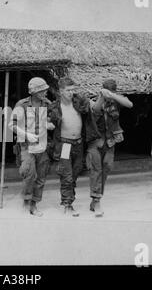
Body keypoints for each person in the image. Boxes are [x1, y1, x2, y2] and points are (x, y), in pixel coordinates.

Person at [86, 79, 133, 217]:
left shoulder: (116, 101)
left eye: (112, 91)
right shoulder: (93, 100)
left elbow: (129, 104)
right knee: (96, 169)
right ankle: (97, 200)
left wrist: (112, 96)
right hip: (96, 141)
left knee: (106, 168)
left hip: (110, 141)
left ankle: (96, 200)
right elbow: (95, 110)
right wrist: (102, 96)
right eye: (108, 91)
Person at [9, 77, 55, 217]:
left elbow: (50, 120)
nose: (44, 93)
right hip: (26, 145)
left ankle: (34, 204)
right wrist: (27, 134)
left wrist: (49, 124)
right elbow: (12, 125)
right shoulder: (22, 105)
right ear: (33, 92)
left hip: (42, 145)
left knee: (41, 176)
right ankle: (26, 200)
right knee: (29, 173)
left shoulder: (47, 104)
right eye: (41, 90)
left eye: (45, 90)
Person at [48, 77, 90, 217]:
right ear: (61, 91)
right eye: (68, 90)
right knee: (67, 175)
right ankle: (68, 203)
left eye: (73, 90)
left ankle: (69, 198)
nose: (71, 93)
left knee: (76, 172)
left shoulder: (79, 103)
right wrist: (48, 125)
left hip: (78, 144)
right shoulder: (55, 107)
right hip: (65, 145)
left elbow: (91, 109)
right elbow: (47, 121)